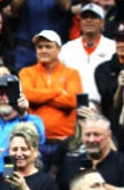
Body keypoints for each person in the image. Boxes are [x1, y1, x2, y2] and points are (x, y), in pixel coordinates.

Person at [19, 29, 83, 168]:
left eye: (48, 46)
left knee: (66, 182)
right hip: (35, 143)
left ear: (59, 49)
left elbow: (72, 101)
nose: (43, 50)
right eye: (40, 47)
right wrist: (59, 90)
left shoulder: (72, 74)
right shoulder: (27, 72)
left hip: (66, 141)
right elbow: (29, 95)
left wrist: (40, 97)